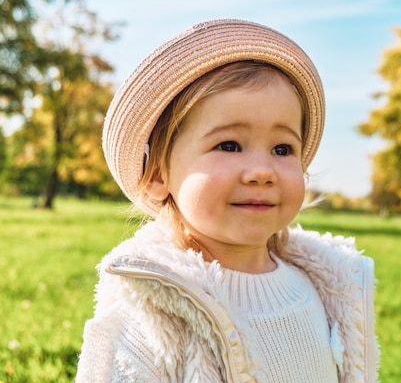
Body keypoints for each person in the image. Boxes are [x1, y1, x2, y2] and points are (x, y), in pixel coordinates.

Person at [76, 19, 378, 383]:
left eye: (282, 148)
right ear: (157, 175)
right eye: (229, 145)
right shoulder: (146, 318)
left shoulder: (329, 289)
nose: (262, 171)